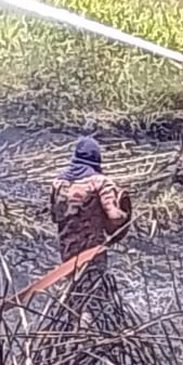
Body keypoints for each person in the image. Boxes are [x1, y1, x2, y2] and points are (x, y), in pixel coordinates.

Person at [49, 136, 131, 327]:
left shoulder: (58, 183)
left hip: (68, 253)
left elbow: (54, 216)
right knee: (91, 299)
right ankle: (88, 335)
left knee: (75, 294)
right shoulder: (100, 183)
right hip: (92, 253)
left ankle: (71, 330)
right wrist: (126, 214)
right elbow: (114, 217)